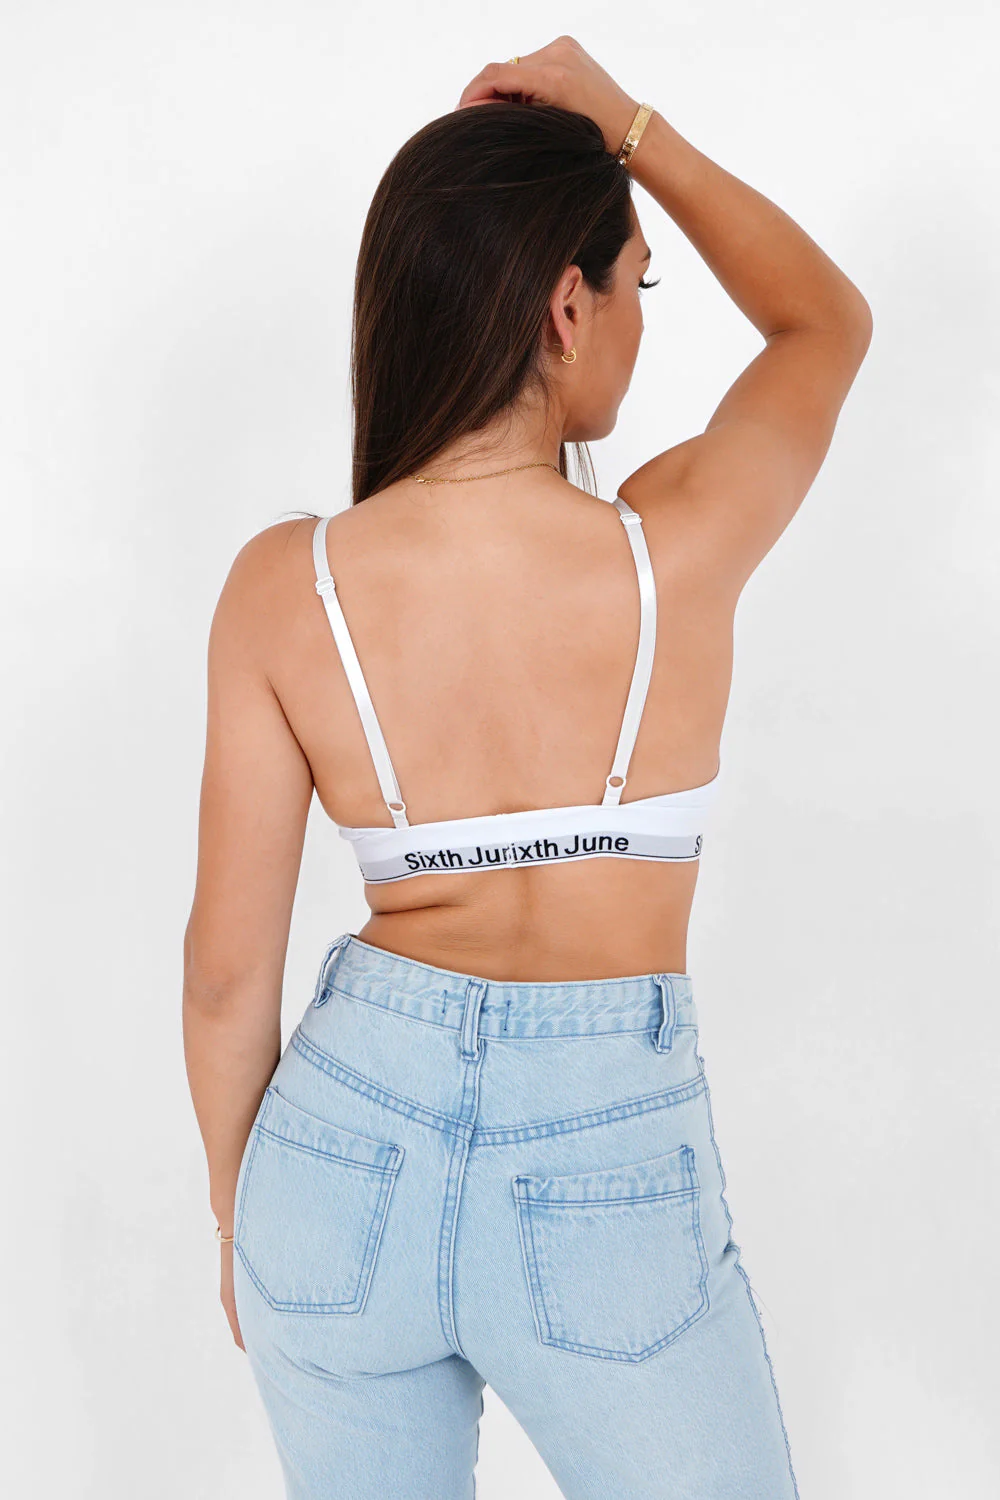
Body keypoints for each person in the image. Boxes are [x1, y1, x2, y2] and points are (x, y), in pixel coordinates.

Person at [183, 36, 871, 1500]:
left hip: (333, 1158)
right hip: (602, 1162)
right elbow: (824, 321)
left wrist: (244, 1221)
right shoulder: (676, 545)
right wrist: (626, 123)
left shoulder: (285, 586)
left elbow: (227, 980)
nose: (640, 327)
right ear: (568, 306)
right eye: (637, 289)